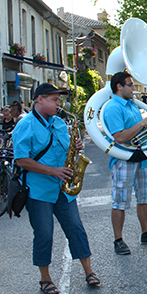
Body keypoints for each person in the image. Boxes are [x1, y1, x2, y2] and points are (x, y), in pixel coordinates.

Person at [14, 83, 100, 293]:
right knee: (44, 234)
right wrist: (53, 171)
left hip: (63, 189)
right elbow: (21, 160)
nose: (58, 104)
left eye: (59, 100)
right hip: (39, 191)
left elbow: (66, 151)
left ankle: (89, 271)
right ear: (39, 100)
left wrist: (77, 147)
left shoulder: (60, 124)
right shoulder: (25, 125)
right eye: (54, 100)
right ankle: (45, 279)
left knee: (76, 229)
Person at [103, 72, 147, 255]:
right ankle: (118, 239)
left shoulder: (132, 105)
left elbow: (140, 133)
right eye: (130, 85)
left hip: (141, 156)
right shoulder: (113, 107)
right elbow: (120, 136)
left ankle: (146, 233)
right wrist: (142, 123)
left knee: (145, 196)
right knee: (120, 200)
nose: (133, 88)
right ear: (119, 87)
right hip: (124, 157)